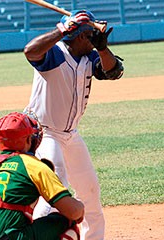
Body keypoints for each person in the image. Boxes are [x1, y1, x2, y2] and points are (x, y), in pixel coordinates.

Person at [23, 9, 124, 240]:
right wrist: (61, 30)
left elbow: (114, 71)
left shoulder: (90, 56)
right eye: (90, 35)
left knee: (90, 191)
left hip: (71, 135)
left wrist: (102, 47)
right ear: (79, 36)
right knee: (55, 191)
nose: (94, 39)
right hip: (44, 133)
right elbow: (30, 51)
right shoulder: (55, 54)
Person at [0, 111, 84, 240]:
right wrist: (80, 208)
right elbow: (72, 211)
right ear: (27, 139)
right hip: (8, 237)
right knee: (67, 223)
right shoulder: (32, 165)